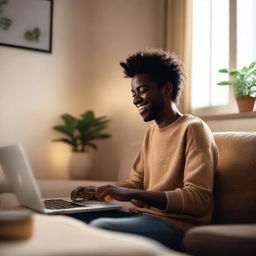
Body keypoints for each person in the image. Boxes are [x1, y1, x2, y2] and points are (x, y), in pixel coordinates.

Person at [70, 49, 218, 250]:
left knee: (100, 226)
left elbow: (198, 199)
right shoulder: (151, 133)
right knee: (71, 219)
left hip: (174, 224)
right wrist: (101, 191)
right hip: (141, 216)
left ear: (166, 89)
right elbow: (135, 183)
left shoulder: (193, 128)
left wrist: (132, 193)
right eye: (134, 93)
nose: (136, 99)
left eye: (142, 90)